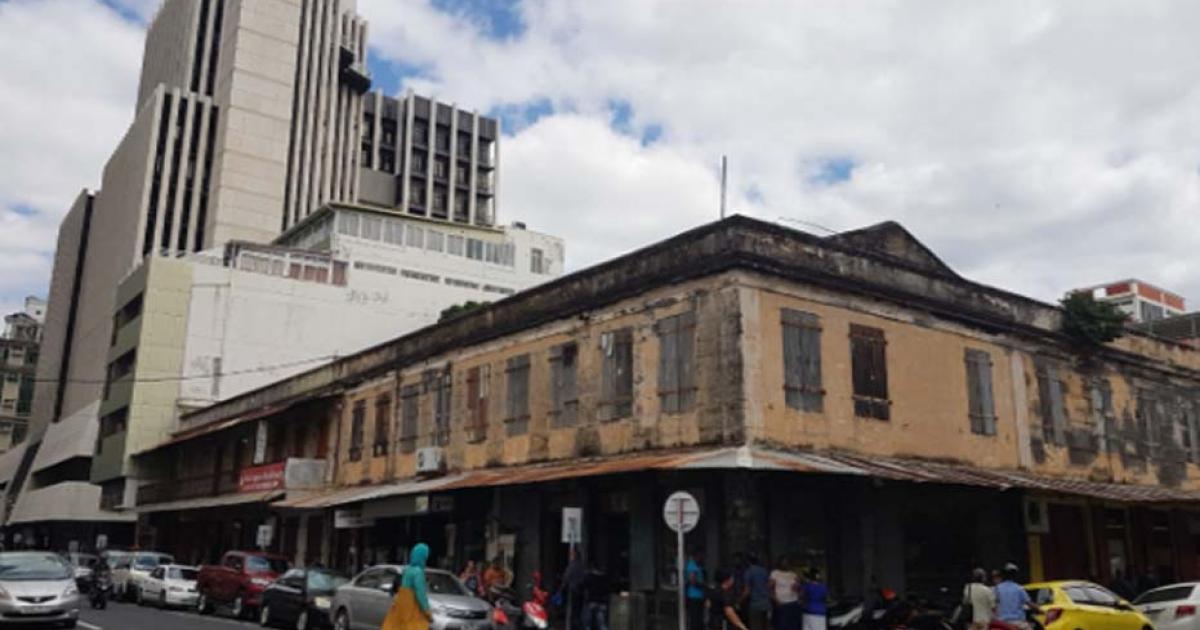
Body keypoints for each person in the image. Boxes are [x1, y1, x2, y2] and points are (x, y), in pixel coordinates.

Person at [382, 542, 432, 630]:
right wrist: (427, 612)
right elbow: (420, 594)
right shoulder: (418, 572)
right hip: (412, 610)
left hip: (401, 607)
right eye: (426, 556)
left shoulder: (407, 570)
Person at [993, 565, 1032, 630]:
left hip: (1002, 624)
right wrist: (1041, 610)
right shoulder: (1019, 588)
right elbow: (1029, 603)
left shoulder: (997, 588)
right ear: (1015, 576)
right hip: (1018, 623)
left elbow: (993, 604)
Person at [768, 556, 801, 630]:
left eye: (787, 561)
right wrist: (775, 599)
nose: (785, 563)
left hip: (793, 602)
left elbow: (798, 588)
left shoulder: (793, 574)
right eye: (783, 561)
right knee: (782, 625)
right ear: (779, 563)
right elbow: (770, 588)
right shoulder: (775, 573)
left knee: (793, 625)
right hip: (782, 603)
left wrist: (797, 587)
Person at [744, 554, 771, 630]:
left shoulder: (749, 572)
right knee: (765, 626)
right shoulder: (764, 571)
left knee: (755, 626)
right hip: (765, 603)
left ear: (748, 562)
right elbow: (769, 586)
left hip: (755, 604)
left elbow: (747, 591)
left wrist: (740, 600)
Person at [582, 562, 612, 630]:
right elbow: (608, 589)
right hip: (602, 602)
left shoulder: (589, 577)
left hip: (591, 601)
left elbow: (581, 586)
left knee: (587, 624)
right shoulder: (604, 578)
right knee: (602, 624)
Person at [686, 548, 707, 630]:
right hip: (694, 596)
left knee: (699, 620)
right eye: (701, 555)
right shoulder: (692, 565)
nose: (702, 557)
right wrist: (703, 585)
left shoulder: (698, 565)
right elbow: (692, 580)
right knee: (695, 620)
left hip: (699, 596)